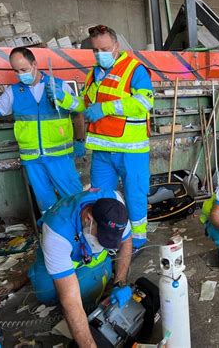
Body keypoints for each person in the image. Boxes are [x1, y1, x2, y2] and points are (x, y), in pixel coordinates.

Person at [51, 25, 153, 249]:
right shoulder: (93, 74)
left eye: (104, 49)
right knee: (100, 197)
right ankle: (102, 236)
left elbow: (145, 102)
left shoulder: (134, 69)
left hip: (131, 149)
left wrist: (106, 108)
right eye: (96, 50)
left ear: (116, 46)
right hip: (102, 151)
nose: (100, 54)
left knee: (135, 195)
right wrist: (65, 99)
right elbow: (85, 105)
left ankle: (136, 240)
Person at [28, 188, 133, 347]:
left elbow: (126, 241)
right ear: (89, 218)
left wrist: (120, 282)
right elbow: (71, 303)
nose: (104, 243)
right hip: (60, 246)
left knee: (87, 296)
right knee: (46, 295)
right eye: (102, 238)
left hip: (89, 256)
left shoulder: (116, 207)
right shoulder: (56, 234)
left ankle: (99, 269)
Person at [0, 47, 84, 213]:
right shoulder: (14, 92)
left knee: (74, 200)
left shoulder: (59, 86)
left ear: (35, 64)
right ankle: (52, 234)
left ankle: (81, 235)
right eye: (16, 71)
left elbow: (78, 112)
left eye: (24, 69)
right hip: (33, 160)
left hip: (60, 158)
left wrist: (80, 140)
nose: (20, 74)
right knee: (46, 206)